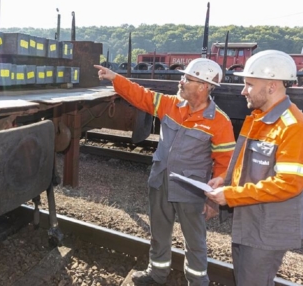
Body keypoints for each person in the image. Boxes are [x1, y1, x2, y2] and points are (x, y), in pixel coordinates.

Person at [94, 58, 236, 286]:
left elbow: (225, 164)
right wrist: (115, 78)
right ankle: (156, 274)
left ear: (203, 86)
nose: (180, 82)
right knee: (159, 233)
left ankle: (198, 282)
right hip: (160, 182)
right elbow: (141, 95)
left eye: (186, 79)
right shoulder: (170, 104)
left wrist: (213, 201)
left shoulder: (219, 122)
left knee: (195, 241)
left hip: (192, 191)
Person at [205, 50, 303, 286]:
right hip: (250, 217)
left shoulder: (294, 127)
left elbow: (288, 184)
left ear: (271, 86)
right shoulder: (260, 118)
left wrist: (231, 195)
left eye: (248, 84)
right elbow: (247, 163)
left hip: (269, 227)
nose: (243, 90)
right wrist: (226, 180)